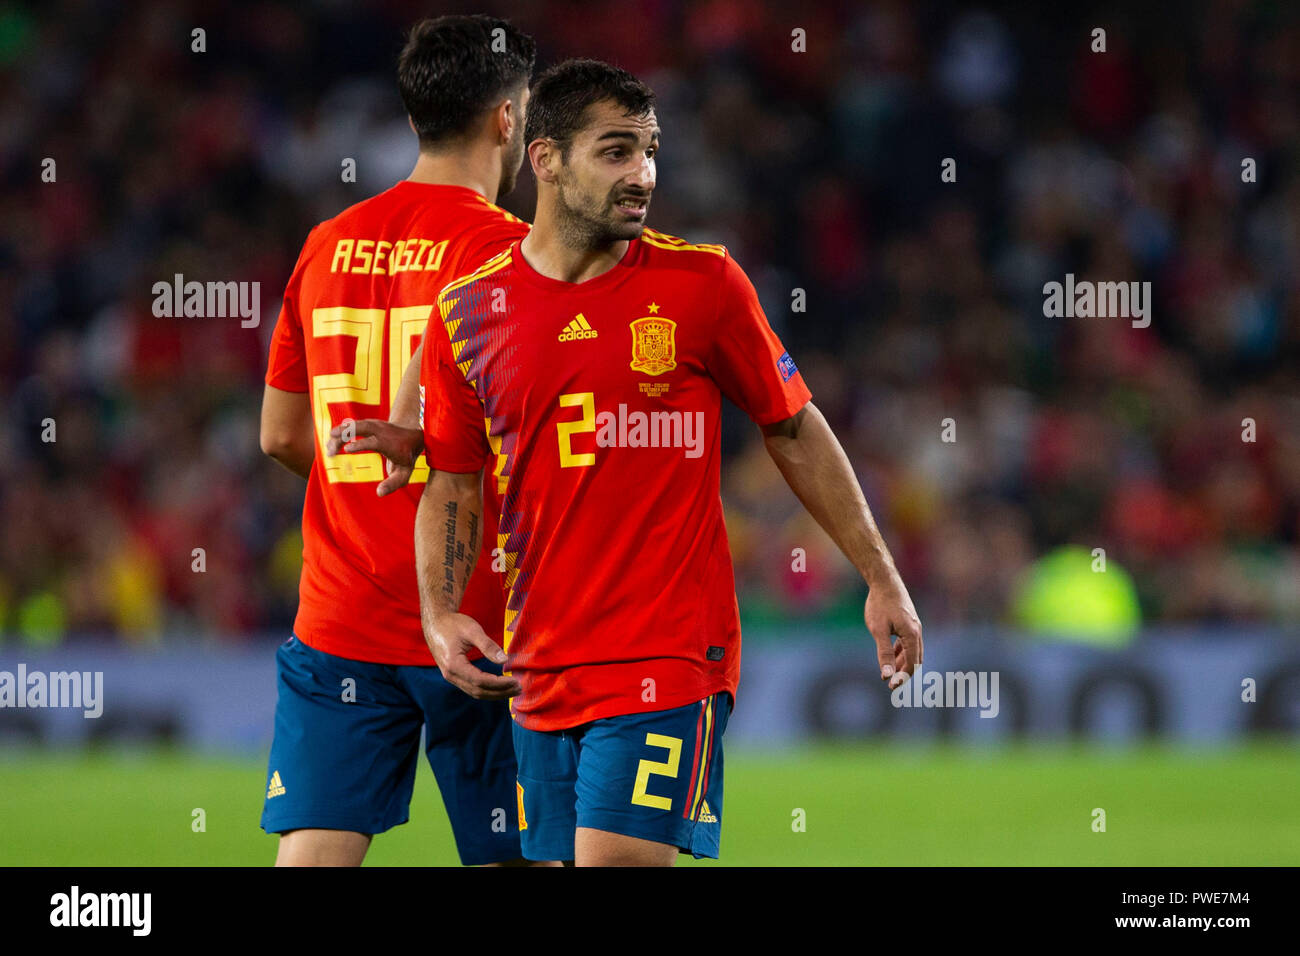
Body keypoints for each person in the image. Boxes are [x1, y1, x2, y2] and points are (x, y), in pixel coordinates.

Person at [413, 59, 924, 866]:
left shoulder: (703, 284)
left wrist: (880, 575)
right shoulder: (467, 313)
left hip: (668, 655)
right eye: (617, 152)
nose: (643, 174)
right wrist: (440, 615)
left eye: (650, 151)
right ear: (544, 160)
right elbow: (451, 480)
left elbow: (792, 427)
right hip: (537, 662)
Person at [258, 14, 545, 866]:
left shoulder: (325, 245)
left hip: (341, 617)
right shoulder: (514, 257)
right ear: (507, 118)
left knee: (312, 852)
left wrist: (360, 493)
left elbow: (279, 435)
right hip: (483, 621)